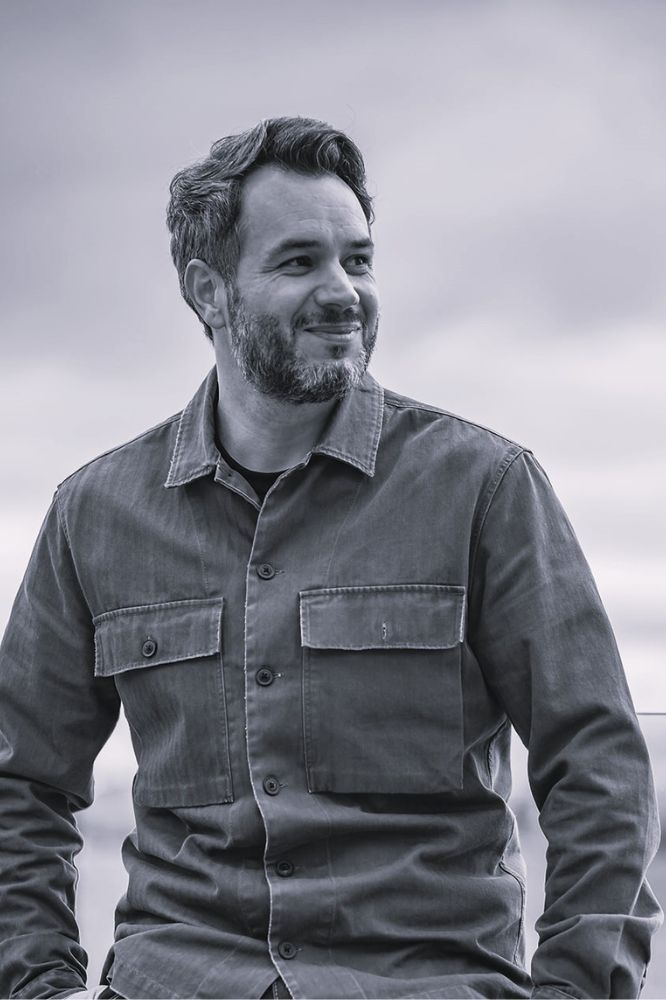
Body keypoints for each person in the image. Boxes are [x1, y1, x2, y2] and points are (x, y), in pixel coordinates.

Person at [0, 116, 661, 1000]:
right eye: (299, 261)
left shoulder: (486, 487)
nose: (344, 290)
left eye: (358, 258)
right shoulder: (96, 514)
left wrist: (581, 990)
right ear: (208, 290)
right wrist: (36, 984)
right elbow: (20, 788)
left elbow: (600, 767)